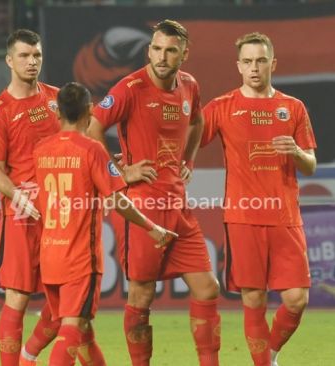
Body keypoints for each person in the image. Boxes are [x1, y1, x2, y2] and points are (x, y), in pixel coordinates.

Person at [87, 19, 221, 366]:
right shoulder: (129, 88)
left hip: (177, 203)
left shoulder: (190, 85)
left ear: (184, 54)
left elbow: (198, 121)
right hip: (141, 206)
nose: (162, 57)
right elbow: (92, 129)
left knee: (208, 288)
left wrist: (188, 159)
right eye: (157, 49)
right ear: (148, 50)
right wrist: (121, 174)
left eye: (171, 50)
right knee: (143, 294)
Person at [34, 81, 177, 366]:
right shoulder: (92, 150)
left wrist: (117, 171)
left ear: (57, 112)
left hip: (50, 255)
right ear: (89, 110)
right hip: (79, 260)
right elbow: (119, 200)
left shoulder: (41, 150)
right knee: (72, 330)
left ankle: (26, 357)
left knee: (84, 330)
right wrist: (153, 227)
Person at [200, 32, 317, 366]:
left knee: (297, 299)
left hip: (285, 217)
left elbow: (310, 165)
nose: (254, 67)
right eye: (248, 61)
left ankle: (271, 355)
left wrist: (295, 151)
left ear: (272, 64)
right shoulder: (222, 107)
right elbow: (189, 139)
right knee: (254, 298)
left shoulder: (292, 107)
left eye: (261, 60)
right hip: (243, 217)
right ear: (238, 66)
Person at [0, 29, 61, 366]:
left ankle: (28, 355)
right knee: (18, 296)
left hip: (60, 214)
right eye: (25, 56)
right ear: (9, 60)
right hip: (22, 216)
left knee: (67, 304)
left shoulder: (58, 99)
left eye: (37, 55)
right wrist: (18, 196)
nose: (32, 62)